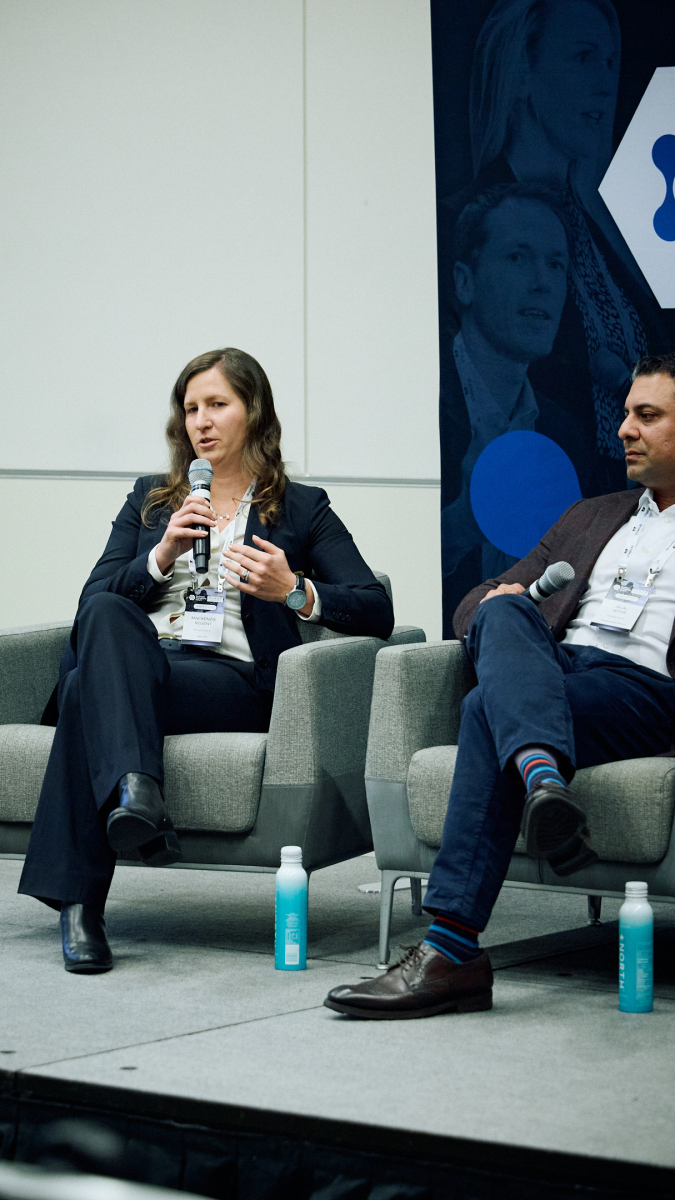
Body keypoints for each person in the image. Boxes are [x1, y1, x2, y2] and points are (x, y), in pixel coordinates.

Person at [18, 347, 394, 973]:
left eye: (218, 404)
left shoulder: (301, 507)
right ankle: (135, 796)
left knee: (86, 691)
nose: (202, 421)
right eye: (191, 409)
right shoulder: (151, 501)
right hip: (144, 666)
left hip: (232, 680)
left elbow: (375, 608)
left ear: (255, 412)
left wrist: (294, 590)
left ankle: (88, 891)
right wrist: (159, 556)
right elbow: (91, 603)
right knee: (106, 616)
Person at [326, 351, 675, 1019]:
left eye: (647, 415)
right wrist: (504, 601)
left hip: (641, 690)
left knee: (488, 706)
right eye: (627, 412)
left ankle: (452, 950)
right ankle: (543, 783)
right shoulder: (592, 516)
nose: (625, 428)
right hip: (554, 670)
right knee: (505, 610)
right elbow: (474, 607)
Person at [439, 0, 672, 499]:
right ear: (523, 73)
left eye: (609, 63)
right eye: (583, 57)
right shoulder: (459, 223)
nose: (604, 82)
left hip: (632, 504)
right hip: (534, 499)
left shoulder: (599, 232)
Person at [441, 182, 593, 626]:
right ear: (464, 281)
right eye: (517, 258)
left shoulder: (564, 431)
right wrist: (462, 523)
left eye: (555, 264)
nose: (543, 283)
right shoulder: (424, 408)